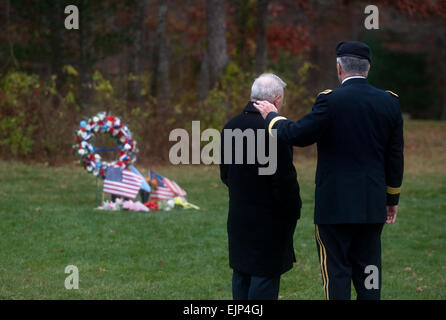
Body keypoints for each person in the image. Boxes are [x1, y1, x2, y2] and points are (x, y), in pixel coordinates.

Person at [254, 41, 404, 300]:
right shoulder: (389, 102)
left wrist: (271, 116)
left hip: (334, 206)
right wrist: (391, 199)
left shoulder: (330, 101)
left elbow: (296, 134)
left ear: (339, 68)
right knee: (369, 270)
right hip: (371, 204)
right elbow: (395, 157)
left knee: (336, 272)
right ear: (368, 69)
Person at [220, 73, 302, 300]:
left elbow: (225, 173)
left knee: (242, 274)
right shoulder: (277, 130)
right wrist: (293, 211)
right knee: (264, 277)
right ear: (276, 100)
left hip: (239, 214)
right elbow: (284, 181)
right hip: (270, 218)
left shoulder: (230, 126)